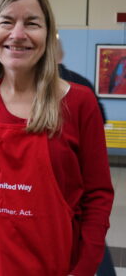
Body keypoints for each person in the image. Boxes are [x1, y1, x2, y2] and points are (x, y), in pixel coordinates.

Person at [0, 0, 114, 276]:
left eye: (32, 23)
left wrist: (83, 269)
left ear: (48, 34)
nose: (17, 35)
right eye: (7, 22)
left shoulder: (78, 103)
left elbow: (98, 196)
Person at [56, 39, 116, 276]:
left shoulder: (76, 89)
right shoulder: (83, 81)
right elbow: (100, 120)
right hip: (77, 176)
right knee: (87, 225)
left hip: (65, 182)